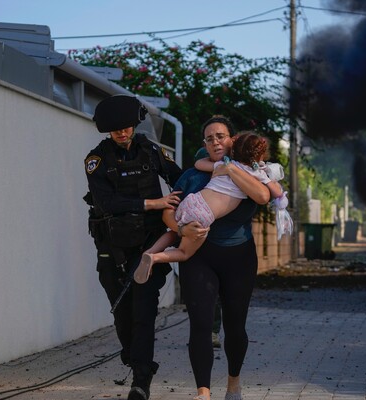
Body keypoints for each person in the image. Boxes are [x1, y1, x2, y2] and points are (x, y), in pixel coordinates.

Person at [83, 94, 182, 400]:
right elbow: (107, 203)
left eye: (126, 127)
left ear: (134, 124)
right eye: (116, 130)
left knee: (143, 312)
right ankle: (134, 357)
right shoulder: (96, 160)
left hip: (148, 247)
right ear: (107, 131)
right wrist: (154, 202)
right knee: (122, 313)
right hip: (112, 248)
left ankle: (141, 379)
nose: (122, 133)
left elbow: (179, 179)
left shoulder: (151, 151)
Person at [164, 115, 270, 400]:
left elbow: (263, 196)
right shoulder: (193, 175)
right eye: (210, 138)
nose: (215, 142)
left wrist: (229, 170)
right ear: (205, 144)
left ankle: (233, 383)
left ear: (232, 139)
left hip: (239, 256)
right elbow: (167, 212)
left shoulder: (249, 171)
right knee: (200, 323)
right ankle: (203, 392)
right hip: (200, 256)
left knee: (235, 326)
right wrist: (181, 227)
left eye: (220, 136)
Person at [133, 131, 285, 284]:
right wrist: (264, 172)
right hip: (203, 215)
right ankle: (155, 258)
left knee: (175, 232)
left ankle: (150, 251)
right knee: (184, 252)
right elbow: (276, 192)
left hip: (193, 200)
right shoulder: (256, 174)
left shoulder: (225, 164)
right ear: (259, 157)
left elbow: (198, 164)